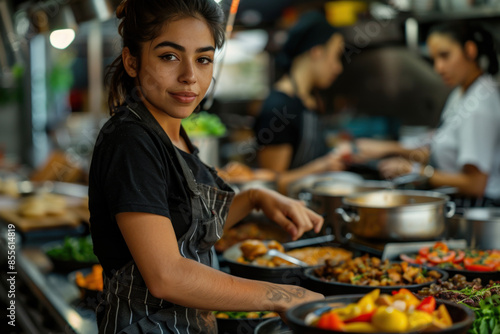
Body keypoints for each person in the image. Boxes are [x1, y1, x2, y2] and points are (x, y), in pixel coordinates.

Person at [88, 1, 324, 333]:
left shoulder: (174, 133)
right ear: (132, 61)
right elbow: (166, 275)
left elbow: (187, 227)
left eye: (203, 59)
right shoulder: (130, 141)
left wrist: (256, 197)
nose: (189, 76)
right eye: (169, 56)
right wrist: (283, 295)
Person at [352, 21, 500, 206]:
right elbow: (439, 149)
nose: (438, 67)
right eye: (434, 59)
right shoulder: (462, 93)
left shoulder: (480, 106)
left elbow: (475, 184)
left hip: (478, 209)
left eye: (445, 56)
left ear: (470, 50)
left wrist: (416, 171)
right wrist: (387, 148)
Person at [253, 11, 346, 194]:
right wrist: (322, 166)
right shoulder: (278, 108)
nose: (338, 67)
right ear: (317, 52)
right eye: (336, 56)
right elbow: (271, 185)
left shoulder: (311, 101)